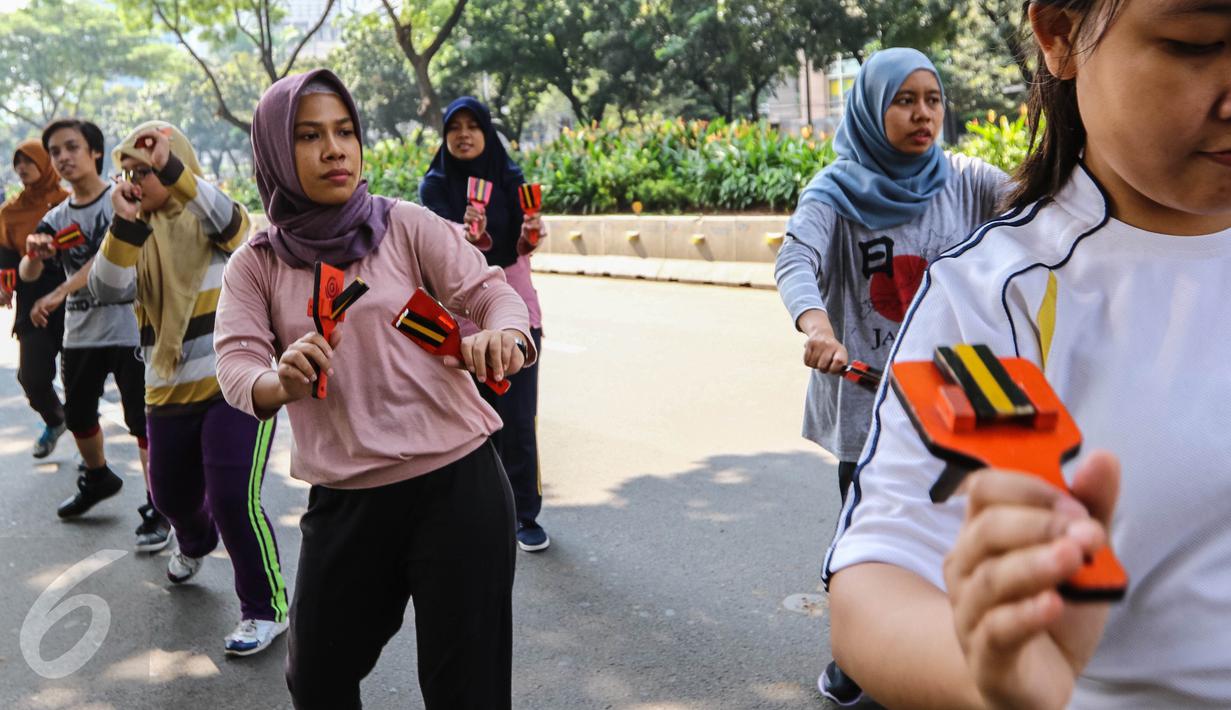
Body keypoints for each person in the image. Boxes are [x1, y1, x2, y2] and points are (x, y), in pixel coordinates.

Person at [826, 2, 1231, 708]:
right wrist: (985, 672)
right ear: (1059, 35)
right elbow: (884, 575)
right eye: (1195, 44)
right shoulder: (1006, 304)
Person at [214, 69, 534, 709]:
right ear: (276, 152)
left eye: (345, 131)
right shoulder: (259, 263)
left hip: (459, 487)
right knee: (317, 681)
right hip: (348, 501)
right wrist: (279, 380)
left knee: (466, 690)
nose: (335, 149)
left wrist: (504, 333)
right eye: (309, 136)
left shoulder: (406, 224)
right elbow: (236, 366)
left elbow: (490, 291)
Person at [773, 48, 1006, 705]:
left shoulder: (965, 180)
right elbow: (796, 258)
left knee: (958, 526)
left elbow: (1042, 212)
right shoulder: (834, 192)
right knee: (872, 546)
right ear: (873, 109)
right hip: (869, 403)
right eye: (904, 100)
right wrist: (816, 327)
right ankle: (856, 654)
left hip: (956, 393)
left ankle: (939, 650)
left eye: (931, 98)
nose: (921, 113)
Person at [88, 120, 288, 656]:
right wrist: (124, 224)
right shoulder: (134, 233)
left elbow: (237, 226)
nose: (137, 180)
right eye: (129, 172)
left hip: (236, 384)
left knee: (231, 496)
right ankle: (196, 541)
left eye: (147, 171)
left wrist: (174, 173)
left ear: (176, 169)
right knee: (169, 495)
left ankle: (265, 609)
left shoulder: (209, 217)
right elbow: (106, 288)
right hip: (167, 391)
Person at [19, 119, 169, 551]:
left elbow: (105, 260)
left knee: (142, 423)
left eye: (72, 147)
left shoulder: (120, 201)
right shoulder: (56, 217)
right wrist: (34, 255)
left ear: (95, 153)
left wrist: (57, 293)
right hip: (82, 334)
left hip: (128, 330)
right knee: (80, 418)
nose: (63, 157)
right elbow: (31, 271)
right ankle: (99, 476)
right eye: (56, 152)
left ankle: (159, 506)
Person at [419, 96, 550, 553]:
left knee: (516, 419)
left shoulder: (512, 180)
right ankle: (475, 512)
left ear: (487, 132)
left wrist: (530, 233)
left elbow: (520, 247)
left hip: (515, 312)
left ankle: (524, 513)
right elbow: (432, 245)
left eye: (474, 125)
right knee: (465, 422)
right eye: (455, 127)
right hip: (457, 319)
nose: (464, 134)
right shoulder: (434, 186)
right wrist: (463, 234)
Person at [0, 139, 70, 457]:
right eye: (18, 162)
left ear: (45, 165)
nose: (22, 168)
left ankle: (91, 451)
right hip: (32, 296)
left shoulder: (69, 202)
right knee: (33, 377)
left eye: (29, 161)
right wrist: (4, 287)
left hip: (73, 294)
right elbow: (6, 259)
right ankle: (57, 420)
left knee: (84, 380)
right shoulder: (10, 212)